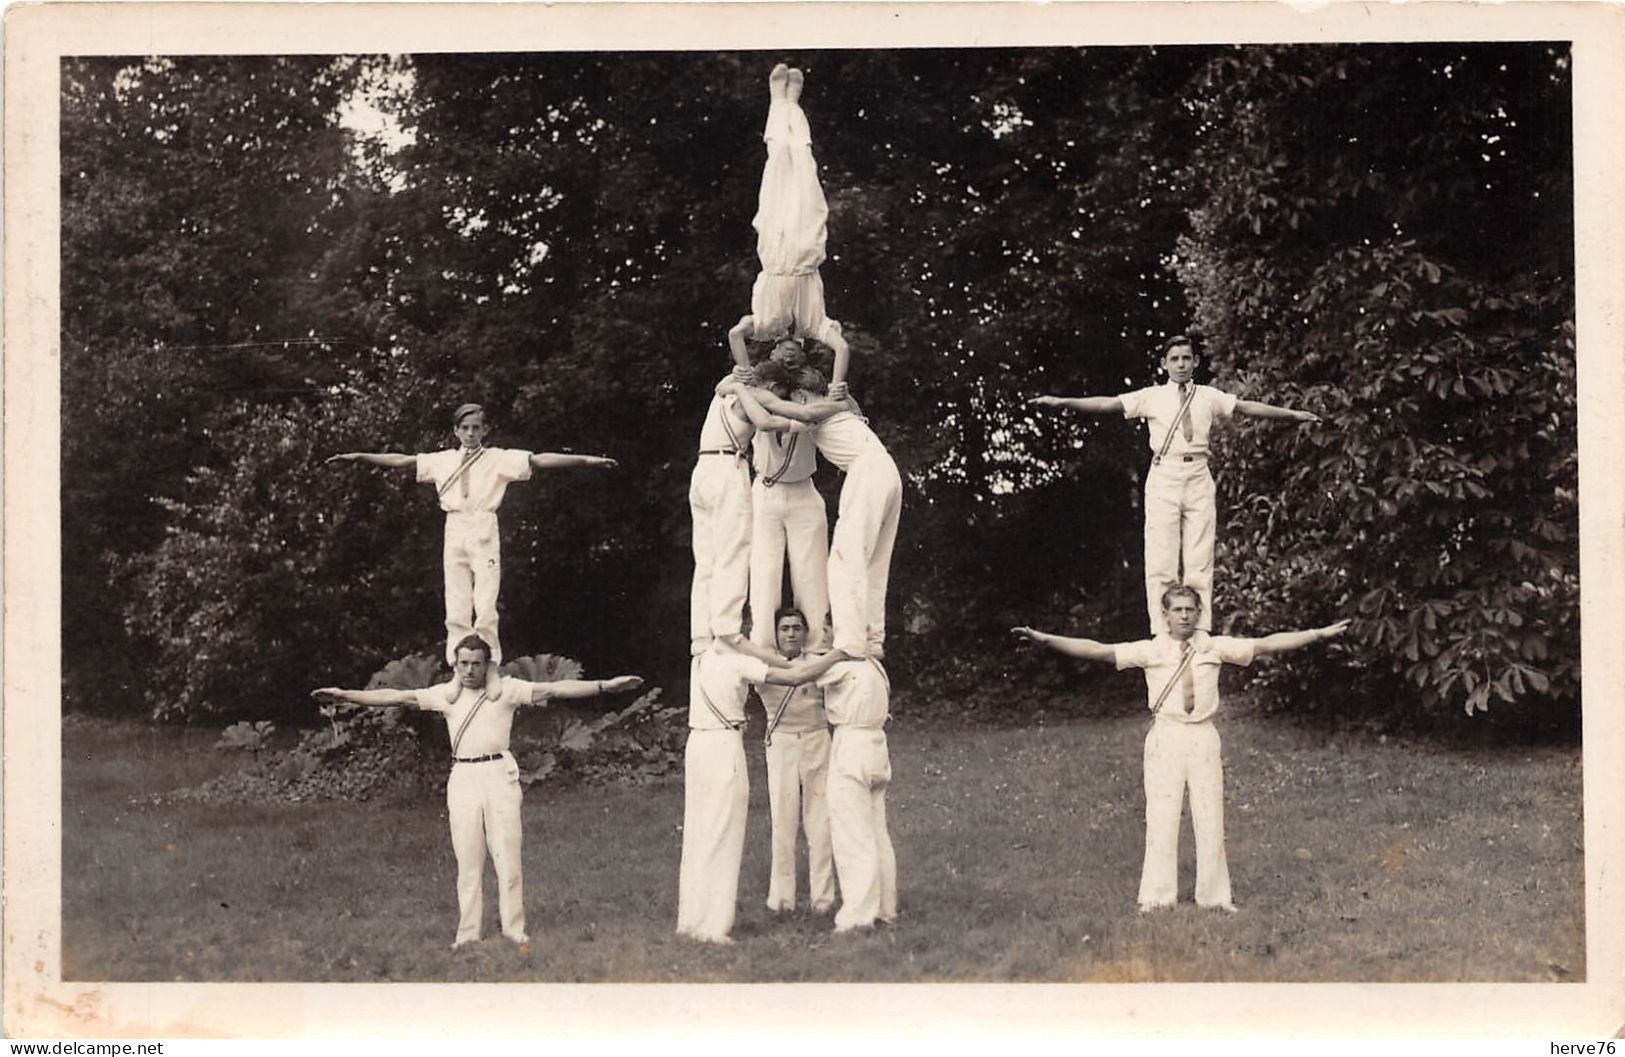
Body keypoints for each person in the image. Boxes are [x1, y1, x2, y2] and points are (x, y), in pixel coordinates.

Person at [1012, 586, 1349, 912]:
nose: (1184, 616)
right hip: (1167, 736)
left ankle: (1215, 897)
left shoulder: (1213, 647)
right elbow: (1097, 650)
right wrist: (1045, 639)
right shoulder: (1150, 650)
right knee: (1161, 816)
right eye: (1178, 610)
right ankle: (1157, 898)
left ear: (1199, 613)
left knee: (1210, 815)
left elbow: (1266, 645)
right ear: (1165, 615)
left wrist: (1317, 634)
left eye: (1190, 610)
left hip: (1203, 735)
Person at [311, 635, 643, 948]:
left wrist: (605, 686)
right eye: (464, 664)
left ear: (488, 666)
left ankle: (515, 932)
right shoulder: (445, 694)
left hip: (500, 774)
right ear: (455, 665)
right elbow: (397, 696)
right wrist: (344, 695)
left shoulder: (507, 690)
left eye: (476, 664)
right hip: (464, 777)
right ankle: (468, 936)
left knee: (507, 856)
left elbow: (555, 689)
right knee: (468, 860)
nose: (470, 670)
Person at [1028, 335, 1319, 635]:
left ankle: (1200, 630)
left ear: (1195, 362)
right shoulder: (1151, 396)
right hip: (1164, 475)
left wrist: (1293, 415)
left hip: (1199, 475)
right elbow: (1108, 404)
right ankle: (1161, 632)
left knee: (1199, 557)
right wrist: (1062, 402)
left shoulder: (1208, 395)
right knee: (1161, 555)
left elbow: (1246, 407)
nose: (1181, 364)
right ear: (1164, 364)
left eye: (1186, 358)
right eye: (1174, 359)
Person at [327, 403, 617, 665]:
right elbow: (401, 460)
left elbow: (539, 460)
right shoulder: (442, 460)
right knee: (456, 603)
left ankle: (489, 666)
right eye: (464, 428)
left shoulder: (498, 458)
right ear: (455, 431)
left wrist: (587, 460)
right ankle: (458, 666)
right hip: (454, 526)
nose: (470, 433)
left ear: (484, 430)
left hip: (483, 526)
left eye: (475, 427)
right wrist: (358, 457)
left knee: (486, 603)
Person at [677, 637, 848, 944]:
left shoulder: (700, 659)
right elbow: (795, 676)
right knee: (724, 836)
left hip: (698, 745)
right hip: (725, 744)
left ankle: (692, 917)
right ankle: (713, 925)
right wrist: (840, 652)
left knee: (699, 834)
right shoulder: (740, 661)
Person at [723, 367, 901, 660]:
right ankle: (872, 640)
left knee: (845, 560)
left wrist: (752, 392)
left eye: (796, 400)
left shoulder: (815, 411)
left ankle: (850, 643)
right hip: (887, 470)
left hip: (866, 472)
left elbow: (777, 416)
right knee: (874, 559)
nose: (794, 406)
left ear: (803, 396)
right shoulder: (842, 409)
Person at [736, 63, 854, 389]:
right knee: (803, 165)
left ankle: (778, 101)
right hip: (806, 244)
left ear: (772, 353)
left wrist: (744, 371)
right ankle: (793, 103)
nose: (788, 360)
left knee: (777, 168)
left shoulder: (763, 326)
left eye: (781, 363)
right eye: (795, 365)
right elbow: (842, 347)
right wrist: (836, 385)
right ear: (804, 357)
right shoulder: (815, 326)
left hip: (774, 247)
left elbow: (735, 334)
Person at [728, 323, 834, 653]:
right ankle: (763, 651)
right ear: (772, 352)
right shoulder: (758, 386)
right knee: (764, 571)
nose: (789, 350)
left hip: (804, 491)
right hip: (767, 490)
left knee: (812, 574)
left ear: (804, 356)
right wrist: (744, 377)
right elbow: (727, 391)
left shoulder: (815, 389)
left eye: (796, 347)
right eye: (782, 345)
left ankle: (816, 651)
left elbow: (850, 409)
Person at [753, 607, 837, 914]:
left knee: (820, 821)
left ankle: (823, 900)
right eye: (785, 628)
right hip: (782, 743)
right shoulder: (761, 665)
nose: (791, 634)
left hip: (817, 739)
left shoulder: (817, 664)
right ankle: (782, 900)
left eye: (797, 628)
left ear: (805, 633)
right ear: (775, 633)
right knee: (783, 820)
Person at [817, 654, 898, 933]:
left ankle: (858, 915)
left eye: (827, 629)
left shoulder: (840, 666)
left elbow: (798, 673)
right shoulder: (875, 665)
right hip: (876, 745)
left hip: (850, 744)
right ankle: (886, 908)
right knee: (877, 832)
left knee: (852, 834)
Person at [688, 377, 762, 658]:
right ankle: (727, 629)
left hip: (703, 468)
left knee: (706, 560)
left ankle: (700, 636)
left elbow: (724, 382)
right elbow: (766, 420)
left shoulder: (722, 392)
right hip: (727, 468)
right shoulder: (751, 398)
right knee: (733, 552)